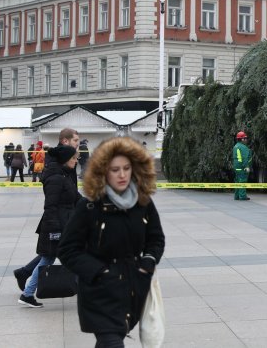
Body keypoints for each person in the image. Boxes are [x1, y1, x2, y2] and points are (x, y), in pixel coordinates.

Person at [58, 137, 165, 347]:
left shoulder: (142, 202)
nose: (122, 174)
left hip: (132, 289)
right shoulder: (89, 207)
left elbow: (156, 238)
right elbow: (68, 250)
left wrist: (149, 261)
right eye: (115, 169)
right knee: (111, 342)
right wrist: (99, 272)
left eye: (127, 168)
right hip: (100, 293)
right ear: (103, 171)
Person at [14, 130, 79, 290]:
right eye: (75, 140)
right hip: (60, 214)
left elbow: (70, 188)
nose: (78, 142)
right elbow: (53, 197)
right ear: (65, 141)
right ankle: (28, 285)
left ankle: (25, 274)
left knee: (52, 253)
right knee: (56, 253)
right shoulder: (58, 160)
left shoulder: (67, 159)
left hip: (68, 210)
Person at [232, 131, 252, 201]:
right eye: (245, 138)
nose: (246, 139)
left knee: (237, 181)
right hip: (242, 167)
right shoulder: (243, 147)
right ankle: (242, 196)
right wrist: (246, 166)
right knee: (242, 181)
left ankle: (236, 196)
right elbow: (244, 158)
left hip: (236, 167)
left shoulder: (236, 146)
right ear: (242, 139)